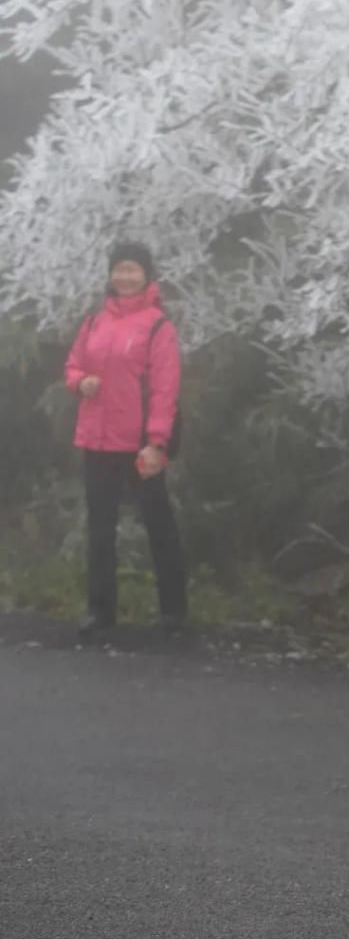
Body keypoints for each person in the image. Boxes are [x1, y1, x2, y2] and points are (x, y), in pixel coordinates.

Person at [64, 242, 188, 640]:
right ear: (110, 275)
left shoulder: (157, 326)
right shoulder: (94, 322)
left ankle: (173, 610)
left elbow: (165, 390)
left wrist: (157, 442)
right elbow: (73, 364)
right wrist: (80, 382)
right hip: (96, 440)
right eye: (119, 269)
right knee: (100, 527)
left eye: (133, 269)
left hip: (137, 443)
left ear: (147, 275)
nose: (125, 277)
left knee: (158, 523)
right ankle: (100, 609)